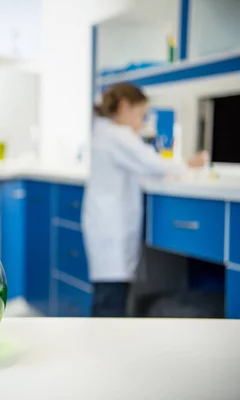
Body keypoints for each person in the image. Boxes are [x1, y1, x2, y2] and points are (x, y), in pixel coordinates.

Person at [82, 83, 207, 317]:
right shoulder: (117, 135)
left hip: (106, 228)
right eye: (141, 115)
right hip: (111, 234)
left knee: (107, 299)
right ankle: (106, 350)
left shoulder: (105, 131)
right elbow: (154, 164)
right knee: (110, 303)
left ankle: (103, 347)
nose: (142, 122)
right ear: (123, 107)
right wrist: (189, 164)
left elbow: (142, 165)